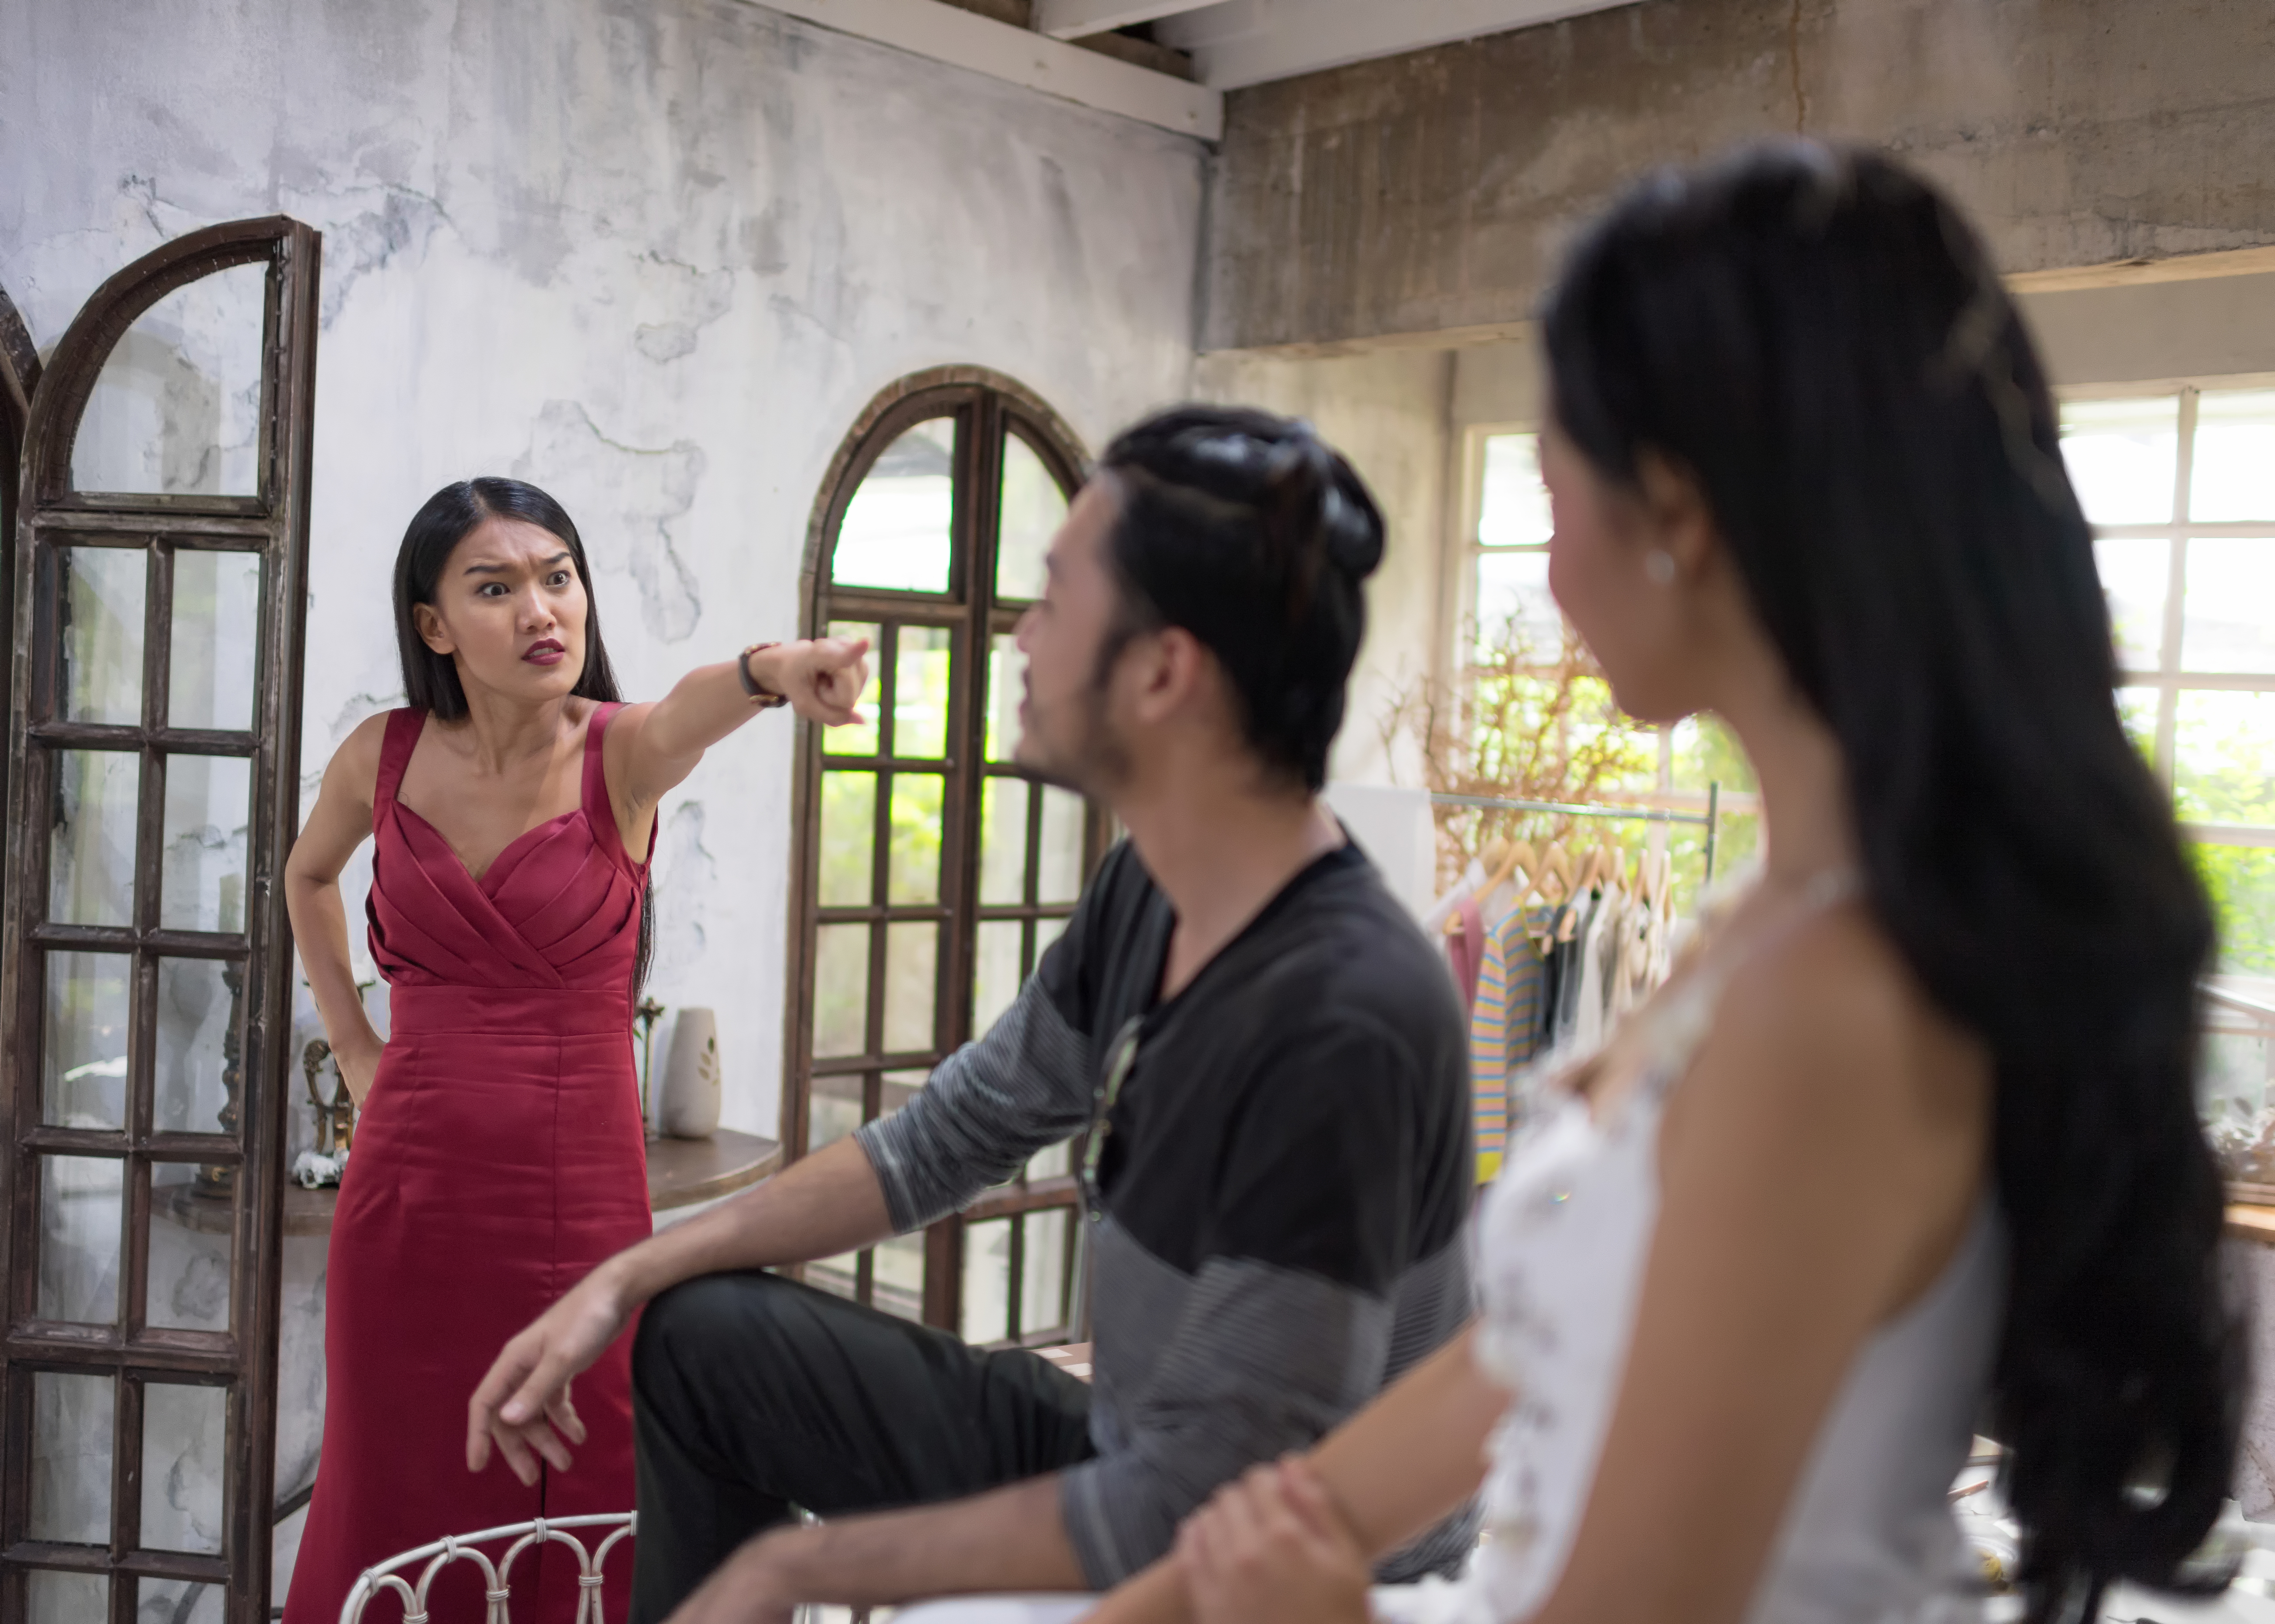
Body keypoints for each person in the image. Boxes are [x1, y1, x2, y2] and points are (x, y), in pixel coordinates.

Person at [1069, 143, 2244, 1624]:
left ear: (1677, 508)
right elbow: (1519, 1360)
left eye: (1557, 487)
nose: (1548, 571)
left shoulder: (1831, 1006)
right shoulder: (1766, 921)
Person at [463, 408, 1479, 1624]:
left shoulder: (1340, 1019)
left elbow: (1223, 1514)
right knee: (702, 1334)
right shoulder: (1153, 890)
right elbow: (944, 1139)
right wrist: (625, 1275)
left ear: (1164, 671)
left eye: (1053, 602)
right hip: (1134, 1452)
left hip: (1283, 1555)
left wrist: (791, 1567)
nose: (1021, 641)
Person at [280, 477, 869, 1623]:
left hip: (577, 1189)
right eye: (495, 588)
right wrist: (353, 1039)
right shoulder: (382, 756)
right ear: (435, 626)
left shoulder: (622, 754)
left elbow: (696, 704)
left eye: (558, 577)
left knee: (580, 1473)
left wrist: (770, 674)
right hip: (408, 1189)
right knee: (398, 1466)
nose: (541, 610)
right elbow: (306, 876)